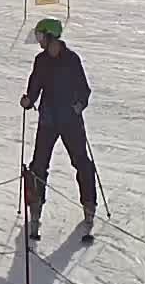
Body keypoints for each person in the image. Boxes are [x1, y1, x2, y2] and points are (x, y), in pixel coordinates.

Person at [20, 18, 97, 240]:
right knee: (39, 164)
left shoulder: (72, 60)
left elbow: (84, 90)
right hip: (48, 119)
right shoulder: (40, 60)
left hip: (70, 120)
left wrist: (79, 105)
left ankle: (89, 204)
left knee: (81, 162)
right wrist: (28, 99)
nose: (39, 41)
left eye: (41, 36)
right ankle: (36, 207)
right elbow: (34, 87)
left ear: (51, 36)